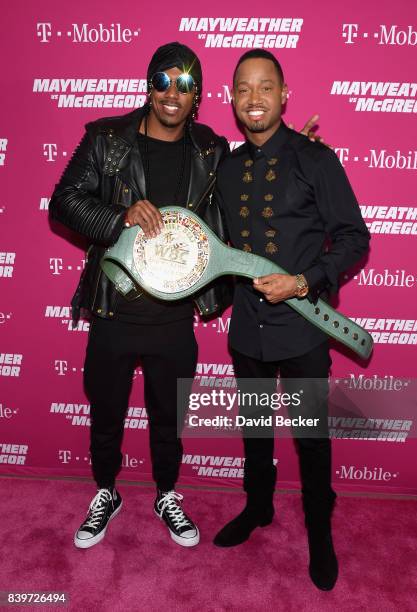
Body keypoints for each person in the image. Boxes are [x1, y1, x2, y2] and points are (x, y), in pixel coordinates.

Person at [49, 42, 233, 549]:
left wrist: (295, 160)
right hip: (113, 307)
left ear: (198, 95)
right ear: (148, 84)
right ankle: (106, 492)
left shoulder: (211, 150)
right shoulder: (107, 140)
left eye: (185, 84)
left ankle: (166, 493)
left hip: (174, 318)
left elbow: (239, 208)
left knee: (168, 420)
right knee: (106, 414)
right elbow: (62, 202)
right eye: (163, 80)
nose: (172, 92)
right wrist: (119, 217)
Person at [213, 50, 370, 591]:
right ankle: (257, 508)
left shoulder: (315, 159)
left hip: (302, 326)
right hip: (247, 329)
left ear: (284, 95)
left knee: (311, 435)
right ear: (231, 99)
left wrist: (304, 282)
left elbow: (354, 238)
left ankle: (320, 532)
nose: (254, 98)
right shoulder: (226, 167)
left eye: (265, 88)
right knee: (255, 428)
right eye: (243, 89)